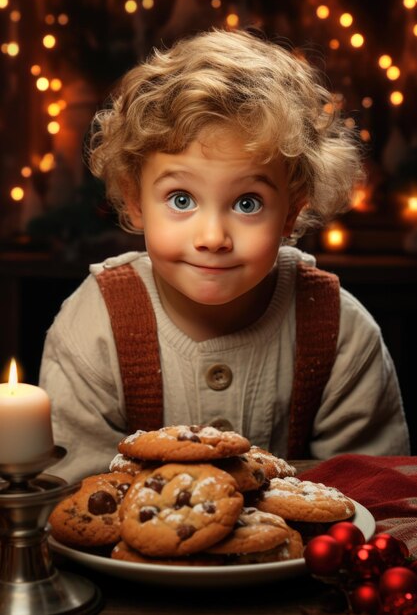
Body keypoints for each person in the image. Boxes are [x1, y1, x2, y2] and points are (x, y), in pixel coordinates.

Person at [39, 28, 410, 483]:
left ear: (292, 212)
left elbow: (370, 488)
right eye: (180, 199)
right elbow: (75, 491)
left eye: (247, 203)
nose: (213, 236)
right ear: (136, 200)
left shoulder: (339, 332)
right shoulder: (92, 326)